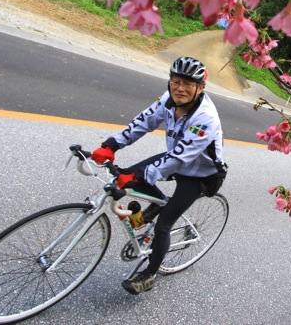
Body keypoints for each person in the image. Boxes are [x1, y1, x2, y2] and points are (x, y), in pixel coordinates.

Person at [90, 56, 227, 295]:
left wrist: (141, 176)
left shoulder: (206, 118)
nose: (180, 88)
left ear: (200, 88)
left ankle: (150, 274)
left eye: (188, 84)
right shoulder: (167, 99)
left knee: (163, 225)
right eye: (175, 81)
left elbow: (178, 159)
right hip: (177, 157)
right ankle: (158, 204)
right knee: (128, 175)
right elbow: (143, 122)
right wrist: (112, 145)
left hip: (201, 174)